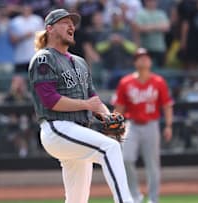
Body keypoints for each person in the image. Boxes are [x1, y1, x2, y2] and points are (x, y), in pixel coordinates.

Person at [28, 9, 133, 203]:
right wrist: (86, 104)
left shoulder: (80, 62)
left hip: (78, 131)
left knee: (77, 199)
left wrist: (108, 116)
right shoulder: (44, 58)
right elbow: (50, 100)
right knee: (109, 147)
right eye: (64, 22)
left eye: (72, 23)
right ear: (50, 29)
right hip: (57, 128)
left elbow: (93, 98)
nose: (71, 26)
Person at [113, 48, 174, 203]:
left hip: (151, 125)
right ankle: (135, 196)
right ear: (135, 62)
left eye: (146, 57)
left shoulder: (158, 81)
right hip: (131, 124)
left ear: (150, 61)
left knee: (153, 164)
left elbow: (167, 105)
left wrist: (168, 125)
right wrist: (114, 127)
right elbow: (119, 107)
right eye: (140, 58)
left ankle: (153, 199)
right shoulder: (126, 82)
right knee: (125, 158)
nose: (143, 60)